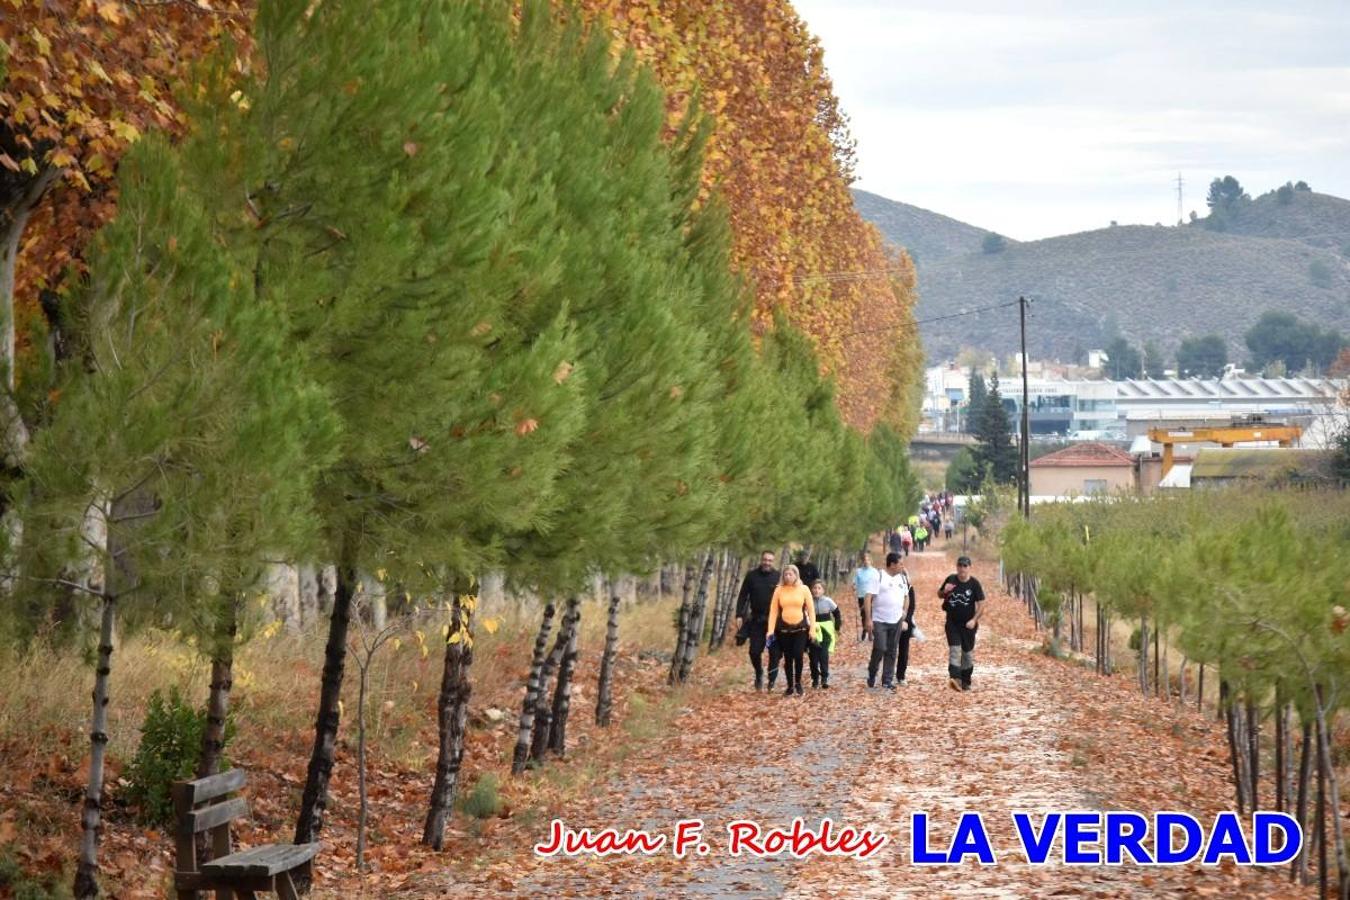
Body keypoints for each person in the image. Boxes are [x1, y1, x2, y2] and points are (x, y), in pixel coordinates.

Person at [863, 552, 911, 690]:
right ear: (892, 564)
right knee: (880, 647)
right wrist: (868, 619)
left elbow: (906, 597)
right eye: (900, 563)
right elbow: (868, 597)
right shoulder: (878, 576)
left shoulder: (902, 578)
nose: (903, 566)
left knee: (891, 650)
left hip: (896, 620)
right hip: (879, 620)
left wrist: (904, 614)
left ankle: (887, 680)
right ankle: (872, 672)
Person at [766, 564, 815, 696]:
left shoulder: (804, 589)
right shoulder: (779, 590)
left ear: (796, 575)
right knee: (788, 658)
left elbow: (811, 610)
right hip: (784, 630)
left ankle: (798, 682)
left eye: (791, 574)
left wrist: (813, 630)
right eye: (786, 574)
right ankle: (790, 685)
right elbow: (773, 611)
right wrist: (770, 631)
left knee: (798, 655)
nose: (788, 577)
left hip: (801, 629)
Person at [735, 550, 781, 691]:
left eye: (770, 560)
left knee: (775, 653)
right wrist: (739, 615)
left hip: (775, 622)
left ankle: (771, 682)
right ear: (761, 560)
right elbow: (743, 596)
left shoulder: (778, 577)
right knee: (754, 652)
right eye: (765, 559)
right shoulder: (751, 576)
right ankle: (759, 672)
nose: (767, 562)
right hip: (756, 620)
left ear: (773, 561)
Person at [938, 555, 986, 692]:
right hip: (952, 623)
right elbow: (939, 594)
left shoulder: (974, 584)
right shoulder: (951, 579)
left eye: (965, 566)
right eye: (960, 565)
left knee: (967, 654)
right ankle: (955, 679)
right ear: (956, 567)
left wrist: (974, 620)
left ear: (969, 567)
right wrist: (944, 591)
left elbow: (982, 604)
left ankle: (965, 680)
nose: (962, 568)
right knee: (955, 650)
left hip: (968, 625)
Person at [807, 580, 842, 688]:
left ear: (823, 590)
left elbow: (837, 613)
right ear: (811, 590)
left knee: (823, 655)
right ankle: (815, 678)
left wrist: (837, 627)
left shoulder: (828, 601)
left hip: (826, 630)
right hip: (813, 629)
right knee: (813, 657)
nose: (816, 590)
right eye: (814, 588)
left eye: (819, 588)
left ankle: (824, 677)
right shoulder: (808, 601)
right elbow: (804, 615)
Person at [852, 552, 881, 642]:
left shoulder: (875, 571)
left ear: (871, 561)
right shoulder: (859, 571)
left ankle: (871, 632)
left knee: (871, 613)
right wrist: (853, 587)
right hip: (861, 595)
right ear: (862, 561)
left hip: (872, 595)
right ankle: (865, 630)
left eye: (868, 560)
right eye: (864, 560)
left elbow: (878, 583)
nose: (866, 561)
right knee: (864, 614)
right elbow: (855, 582)